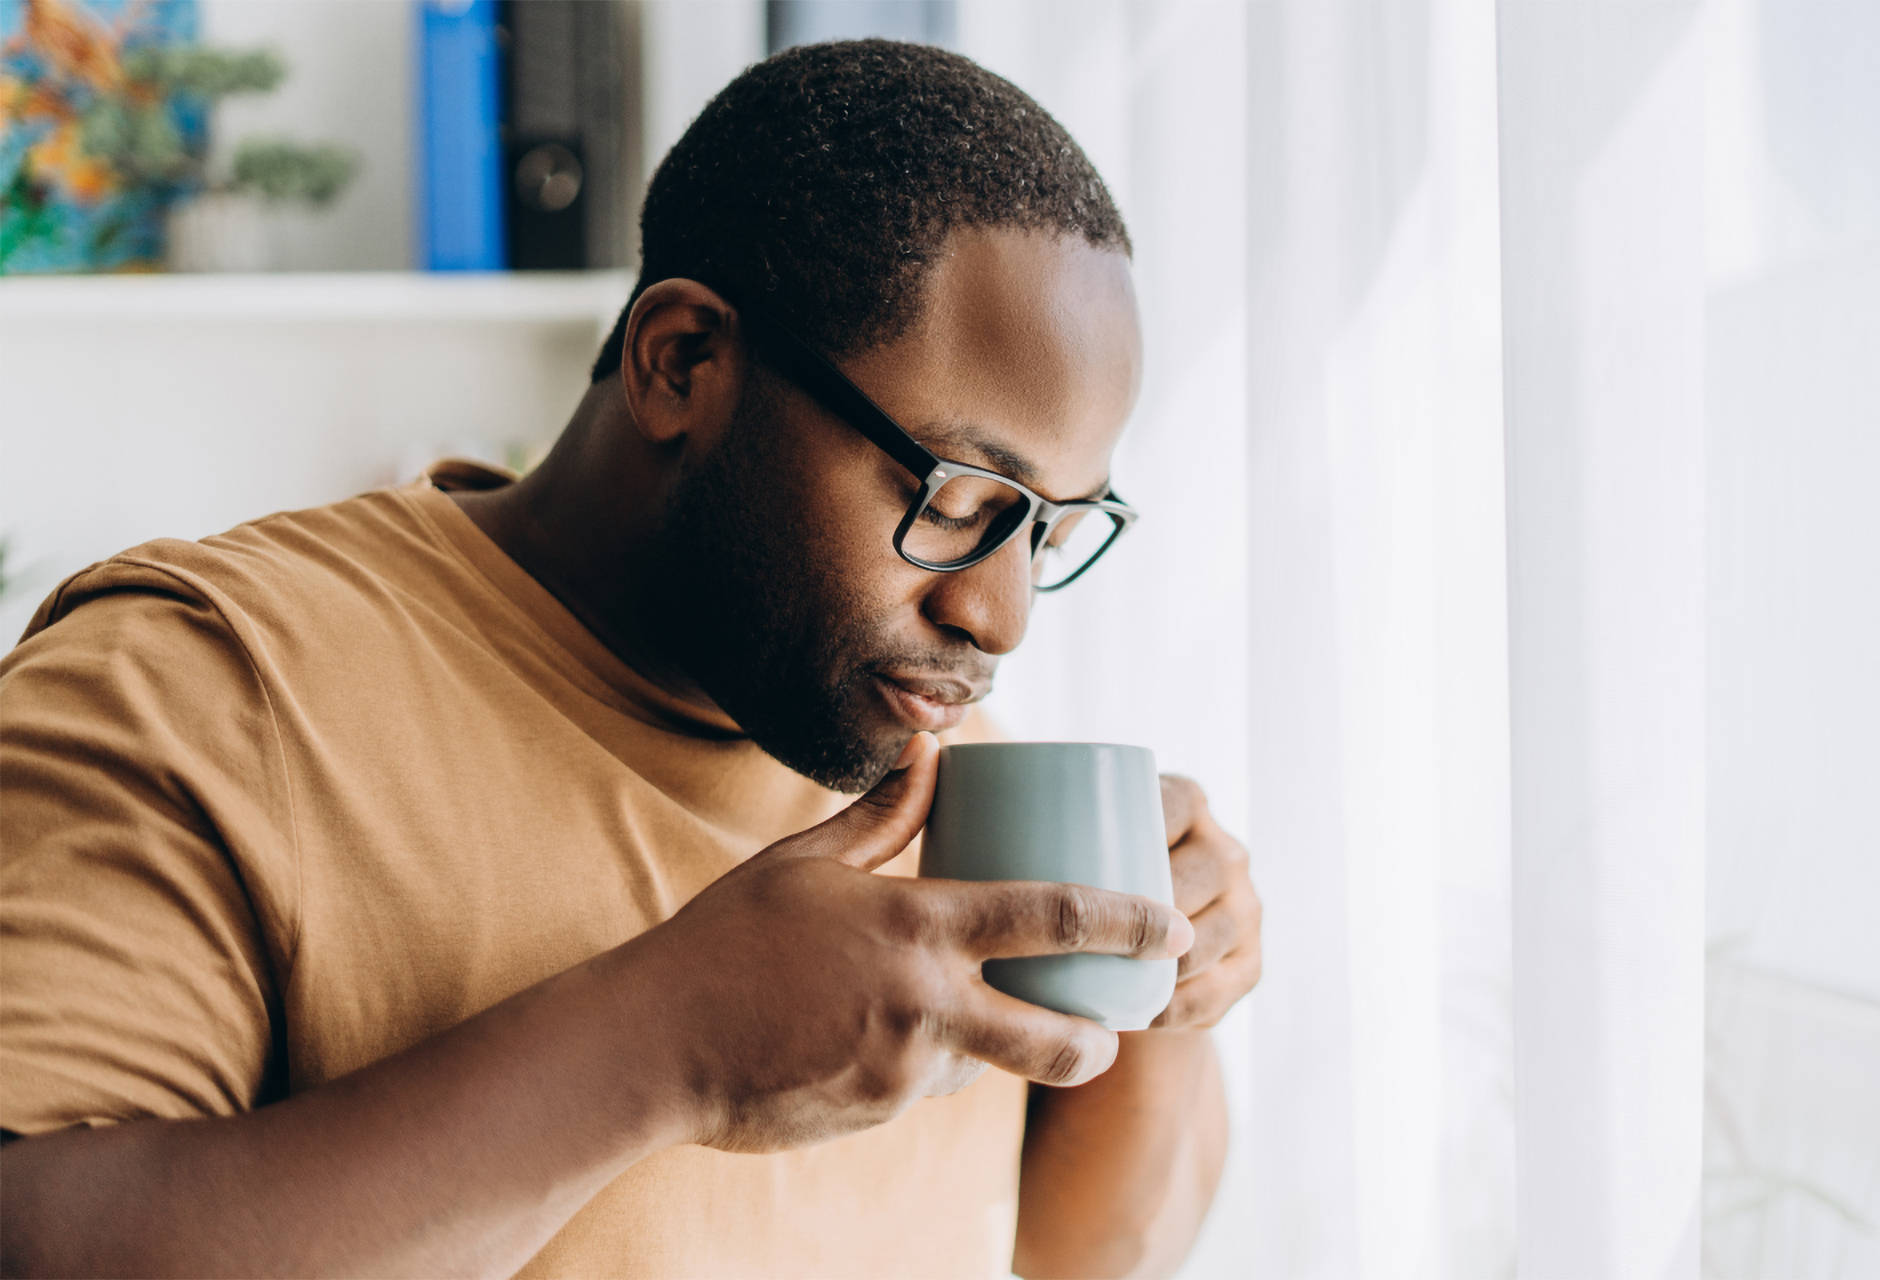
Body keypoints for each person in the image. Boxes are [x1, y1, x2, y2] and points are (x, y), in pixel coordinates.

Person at [0, 38, 1261, 1279]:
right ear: (683, 363)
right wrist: (668, 1047)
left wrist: (1162, 990)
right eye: (956, 496)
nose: (1001, 614)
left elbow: (1086, 1245)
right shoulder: (199, 681)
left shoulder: (943, 767)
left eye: (1050, 526)